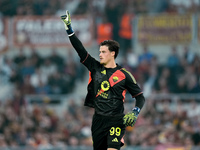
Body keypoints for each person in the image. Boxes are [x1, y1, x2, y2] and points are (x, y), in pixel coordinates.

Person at [61, 11, 145, 150]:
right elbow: (80, 49)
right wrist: (69, 29)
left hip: (115, 120)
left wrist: (134, 112)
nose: (100, 54)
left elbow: (140, 97)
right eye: (99, 52)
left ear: (113, 54)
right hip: (98, 120)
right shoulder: (94, 67)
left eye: (103, 52)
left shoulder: (124, 75)